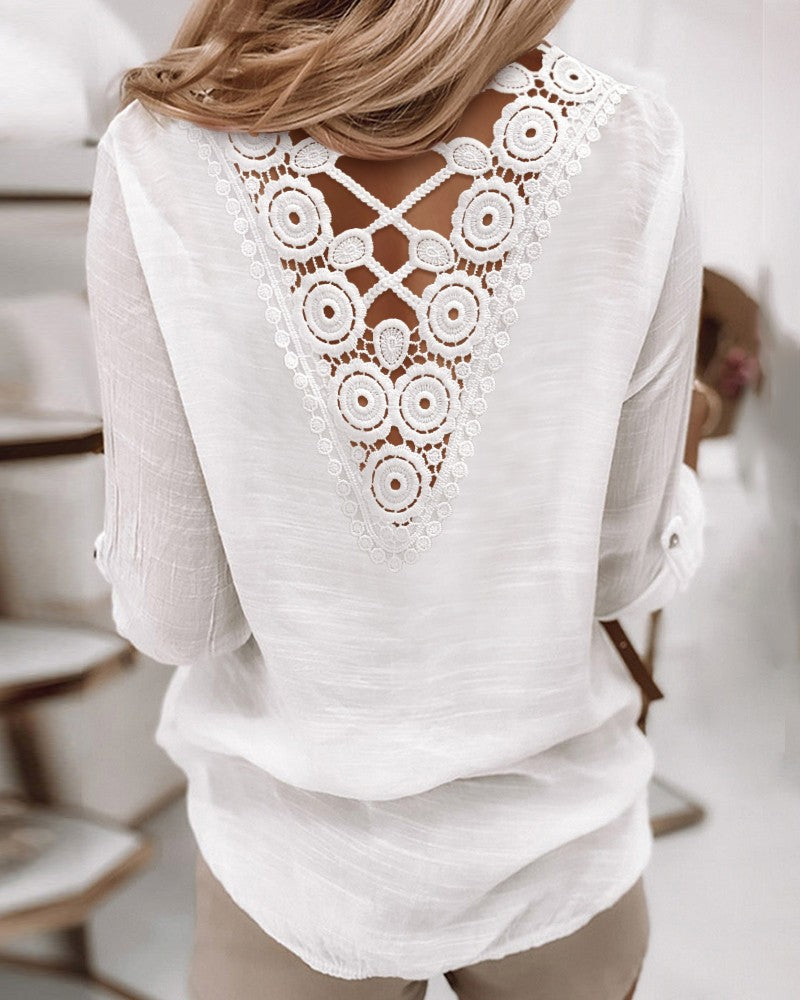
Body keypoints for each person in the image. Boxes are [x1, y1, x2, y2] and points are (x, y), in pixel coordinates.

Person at [86, 2, 708, 998]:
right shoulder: (633, 141)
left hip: (295, 866)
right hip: (557, 844)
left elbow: (178, 619)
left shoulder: (161, 151)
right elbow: (618, 577)